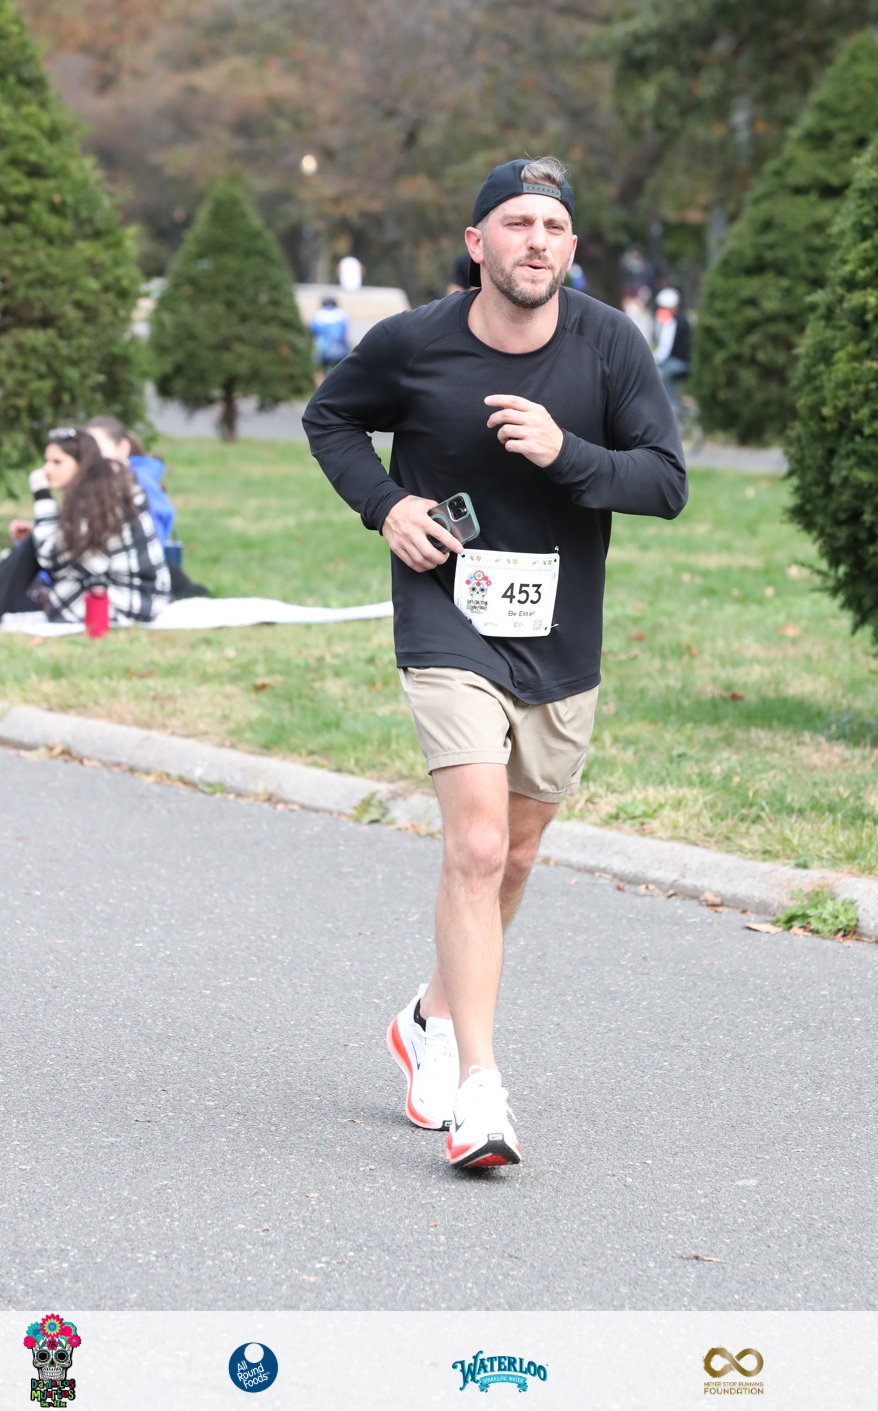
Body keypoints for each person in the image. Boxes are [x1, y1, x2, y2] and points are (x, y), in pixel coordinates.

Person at [304, 156, 687, 1171]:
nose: (536, 242)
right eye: (517, 223)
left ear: (573, 247)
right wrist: (386, 505)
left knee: (514, 857)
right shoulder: (413, 344)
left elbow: (664, 482)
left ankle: (430, 1017)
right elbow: (330, 418)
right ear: (478, 243)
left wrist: (567, 453)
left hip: (561, 635)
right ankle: (480, 1090)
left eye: (554, 227)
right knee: (475, 846)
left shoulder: (609, 344)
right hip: (447, 617)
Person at [2, 427, 171, 624]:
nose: (46, 469)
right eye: (47, 461)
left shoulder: (100, 500)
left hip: (124, 603)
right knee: (25, 581)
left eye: (57, 462)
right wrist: (38, 529)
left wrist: (42, 496)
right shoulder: (106, 490)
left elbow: (53, 560)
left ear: (81, 465)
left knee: (32, 553)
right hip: (133, 597)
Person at [85, 417, 209, 599]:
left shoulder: (138, 482)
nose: (91, 457)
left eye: (98, 449)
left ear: (122, 448)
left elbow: (149, 537)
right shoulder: (100, 481)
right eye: (86, 450)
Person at [652, 287, 693, 415]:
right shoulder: (686, 319)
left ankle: (667, 412)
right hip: (686, 362)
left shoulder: (671, 322)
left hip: (675, 363)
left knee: (655, 377)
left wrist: (651, 359)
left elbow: (665, 349)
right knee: (672, 390)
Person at [309, 296, 351, 382]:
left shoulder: (317, 316)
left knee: (325, 374)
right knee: (341, 373)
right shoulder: (341, 315)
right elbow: (344, 332)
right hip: (340, 349)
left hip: (323, 349)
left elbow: (313, 332)